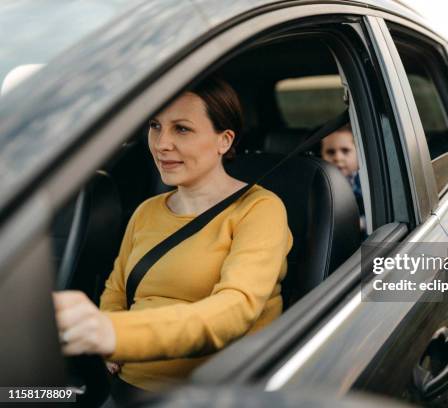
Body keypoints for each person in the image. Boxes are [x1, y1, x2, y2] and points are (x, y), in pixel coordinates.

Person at [52, 77, 293, 398]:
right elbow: (117, 289)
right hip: (123, 385)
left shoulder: (260, 209)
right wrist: (112, 339)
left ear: (224, 140)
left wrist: (116, 334)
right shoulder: (147, 211)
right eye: (155, 126)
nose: (161, 143)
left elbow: (235, 310)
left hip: (206, 395)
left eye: (181, 129)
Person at [320, 123, 366, 233]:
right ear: (321, 155)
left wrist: (361, 223)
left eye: (345, 151)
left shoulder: (365, 183)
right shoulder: (321, 182)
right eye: (330, 152)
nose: (337, 157)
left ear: (359, 154)